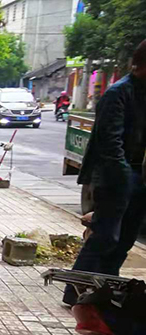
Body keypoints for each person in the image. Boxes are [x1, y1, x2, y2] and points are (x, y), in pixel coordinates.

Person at [63, 40, 146, 307]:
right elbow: (111, 144)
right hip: (115, 174)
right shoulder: (119, 93)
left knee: (124, 239)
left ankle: (107, 290)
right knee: (105, 236)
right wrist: (124, 181)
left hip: (138, 175)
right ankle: (76, 291)